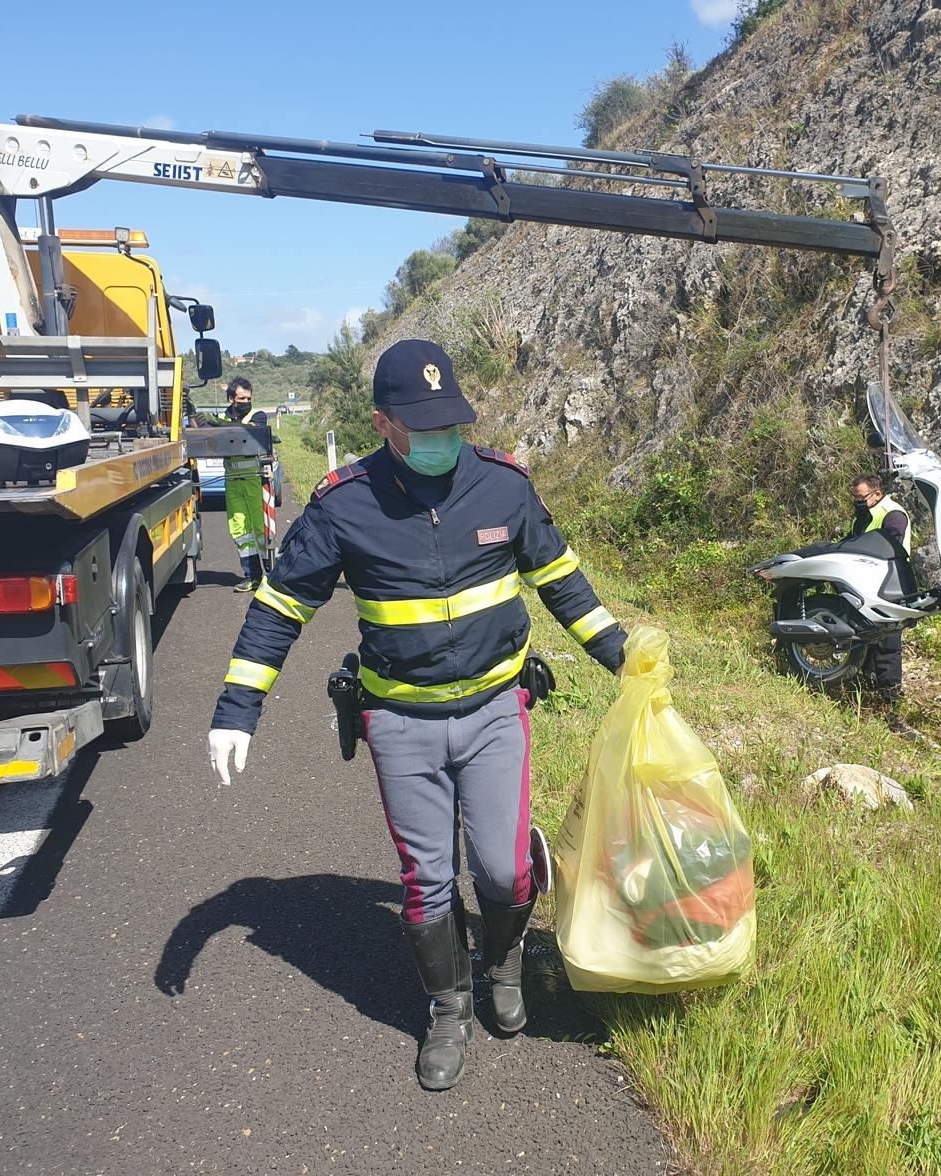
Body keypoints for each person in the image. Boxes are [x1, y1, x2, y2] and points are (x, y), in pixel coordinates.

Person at [206, 339, 626, 1091]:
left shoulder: (503, 486)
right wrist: (238, 708)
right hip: (401, 722)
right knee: (427, 878)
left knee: (504, 867)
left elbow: (562, 580)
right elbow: (280, 608)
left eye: (451, 425)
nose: (442, 440)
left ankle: (502, 961)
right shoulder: (344, 504)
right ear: (383, 424)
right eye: (424, 428)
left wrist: (625, 658)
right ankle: (448, 1005)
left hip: (496, 710)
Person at [847, 473, 910, 703]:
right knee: (864, 636)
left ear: (877, 494)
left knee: (887, 642)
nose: (857, 502)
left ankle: (890, 698)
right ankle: (865, 689)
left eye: (861, 497)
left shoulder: (892, 514)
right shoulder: (862, 518)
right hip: (865, 585)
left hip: (890, 584)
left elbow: (891, 543)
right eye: (854, 497)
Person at [221, 377, 268, 592]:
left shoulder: (258, 416)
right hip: (233, 481)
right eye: (241, 399)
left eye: (249, 398)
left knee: (261, 528)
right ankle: (252, 577)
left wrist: (221, 426)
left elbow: (249, 431)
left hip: (255, 480)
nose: (246, 402)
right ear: (231, 399)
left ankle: (272, 576)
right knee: (240, 530)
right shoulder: (222, 418)